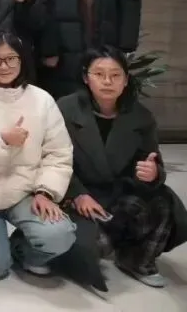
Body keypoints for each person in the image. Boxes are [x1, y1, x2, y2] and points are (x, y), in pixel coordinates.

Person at [58, 47, 186, 290]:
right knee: (90, 248)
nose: (107, 81)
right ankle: (111, 241)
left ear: (126, 80)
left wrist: (153, 173)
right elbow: (53, 159)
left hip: (118, 195)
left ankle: (138, 259)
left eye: (115, 75)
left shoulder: (141, 116)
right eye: (99, 74)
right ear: (86, 77)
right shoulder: (66, 108)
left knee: (163, 201)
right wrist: (77, 194)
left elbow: (153, 161)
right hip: (78, 194)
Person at [0, 31, 76, 279]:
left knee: (59, 235)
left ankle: (23, 250)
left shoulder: (42, 99)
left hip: (25, 191)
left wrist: (45, 192)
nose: (3, 66)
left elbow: (58, 153)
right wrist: (1, 141)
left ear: (22, 60)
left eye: (11, 59)